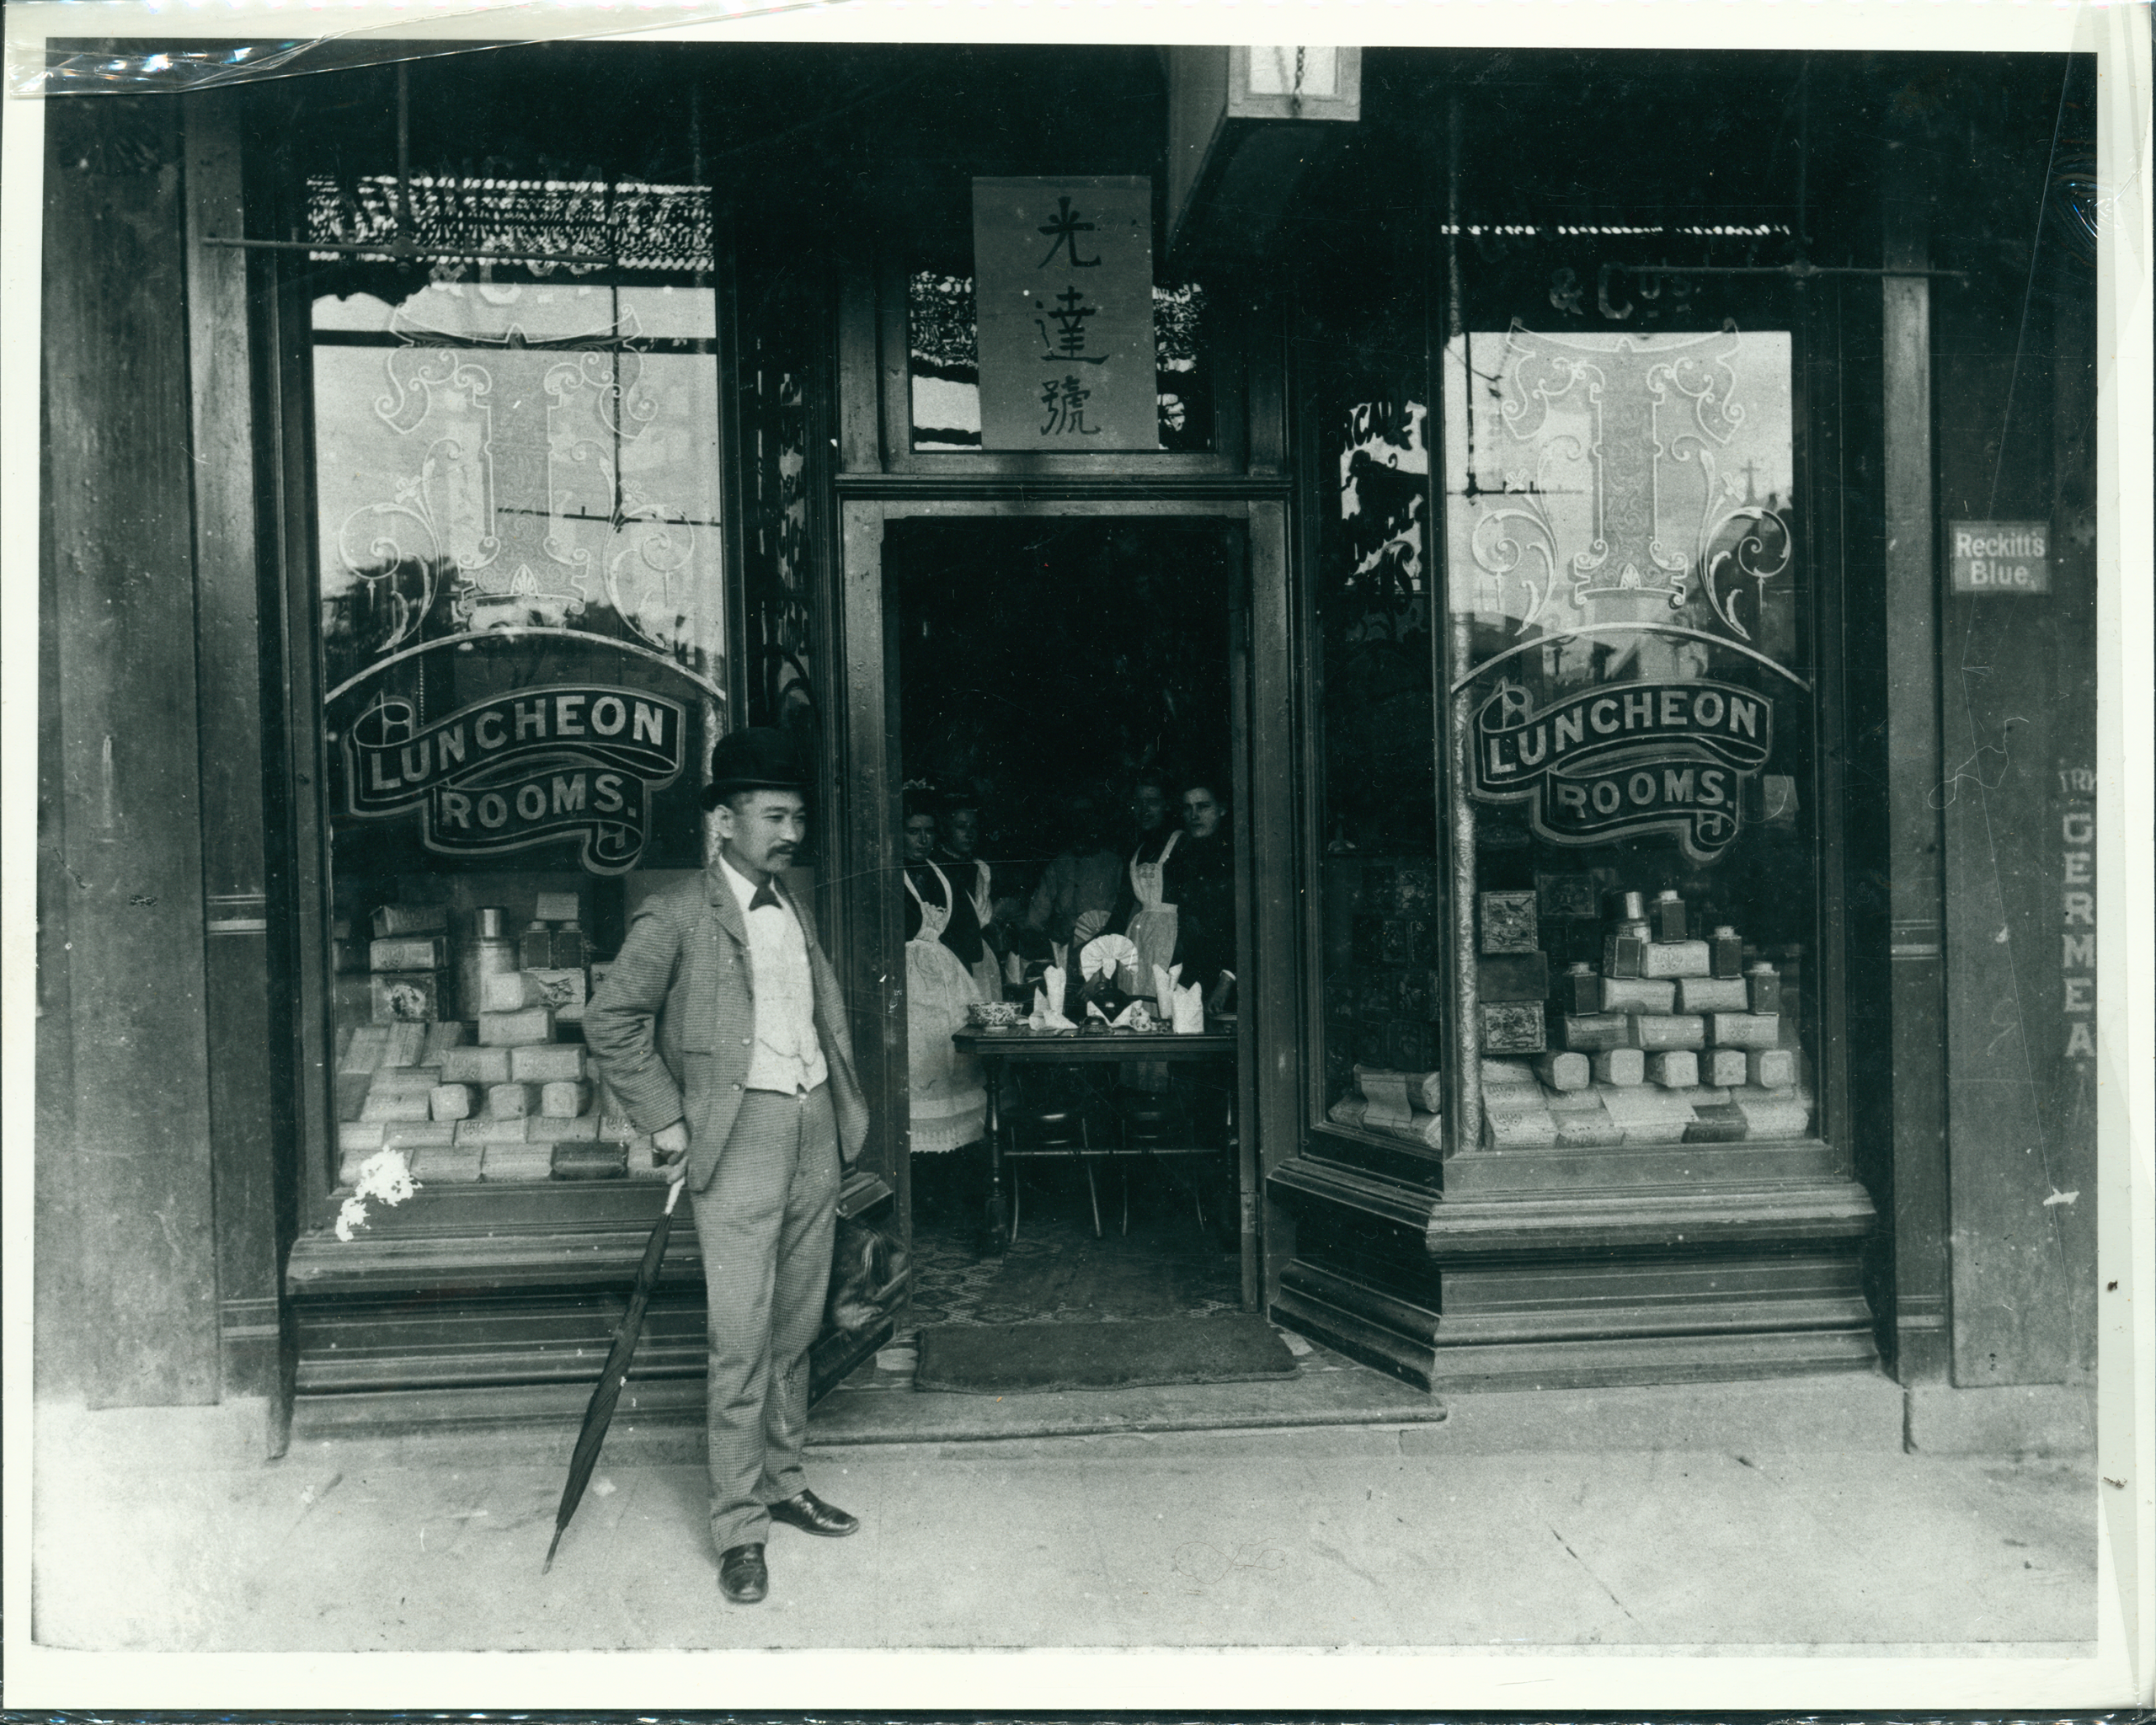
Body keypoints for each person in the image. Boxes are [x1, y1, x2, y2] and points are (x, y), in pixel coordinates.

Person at [584, 727, 867, 1609]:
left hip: (811, 1124)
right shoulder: (674, 913)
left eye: (797, 817)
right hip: (734, 1137)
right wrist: (668, 1121)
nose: (790, 832)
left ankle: (783, 1482)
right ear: (723, 819)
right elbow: (611, 1021)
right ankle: (739, 1526)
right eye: (774, 816)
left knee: (795, 1322)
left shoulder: (795, 904)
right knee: (738, 1337)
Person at [901, 789, 989, 1158]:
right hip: (907, 980)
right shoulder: (891, 873)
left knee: (954, 1063)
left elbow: (970, 941)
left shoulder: (943, 875)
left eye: (929, 832)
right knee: (920, 1064)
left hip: (948, 980)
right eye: (913, 832)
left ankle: (956, 1153)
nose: (923, 840)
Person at [1023, 789, 1123, 953]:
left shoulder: (1114, 863)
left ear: (1096, 820)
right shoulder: (1058, 864)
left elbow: (1122, 914)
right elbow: (1037, 912)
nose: (1082, 822)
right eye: (1076, 817)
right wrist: (1030, 933)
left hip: (1102, 948)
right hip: (1063, 946)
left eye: (1087, 815)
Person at [1174, 776, 1237, 1013]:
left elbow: (1241, 928)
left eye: (1203, 807)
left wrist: (1225, 983)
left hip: (1227, 984)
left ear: (1221, 809)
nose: (1194, 815)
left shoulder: (1234, 859)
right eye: (1188, 808)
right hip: (1191, 978)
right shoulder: (1184, 858)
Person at [936, 787, 1004, 1000]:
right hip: (951, 957)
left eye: (974, 827)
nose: (969, 833)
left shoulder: (981, 869)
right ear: (946, 829)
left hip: (982, 957)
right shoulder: (937, 867)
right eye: (961, 827)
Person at [1116, 769, 1183, 984]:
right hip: (1137, 941)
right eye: (1138, 802)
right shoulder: (1136, 851)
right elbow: (1122, 908)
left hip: (1171, 945)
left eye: (1152, 802)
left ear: (1167, 804)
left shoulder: (1182, 844)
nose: (1144, 810)